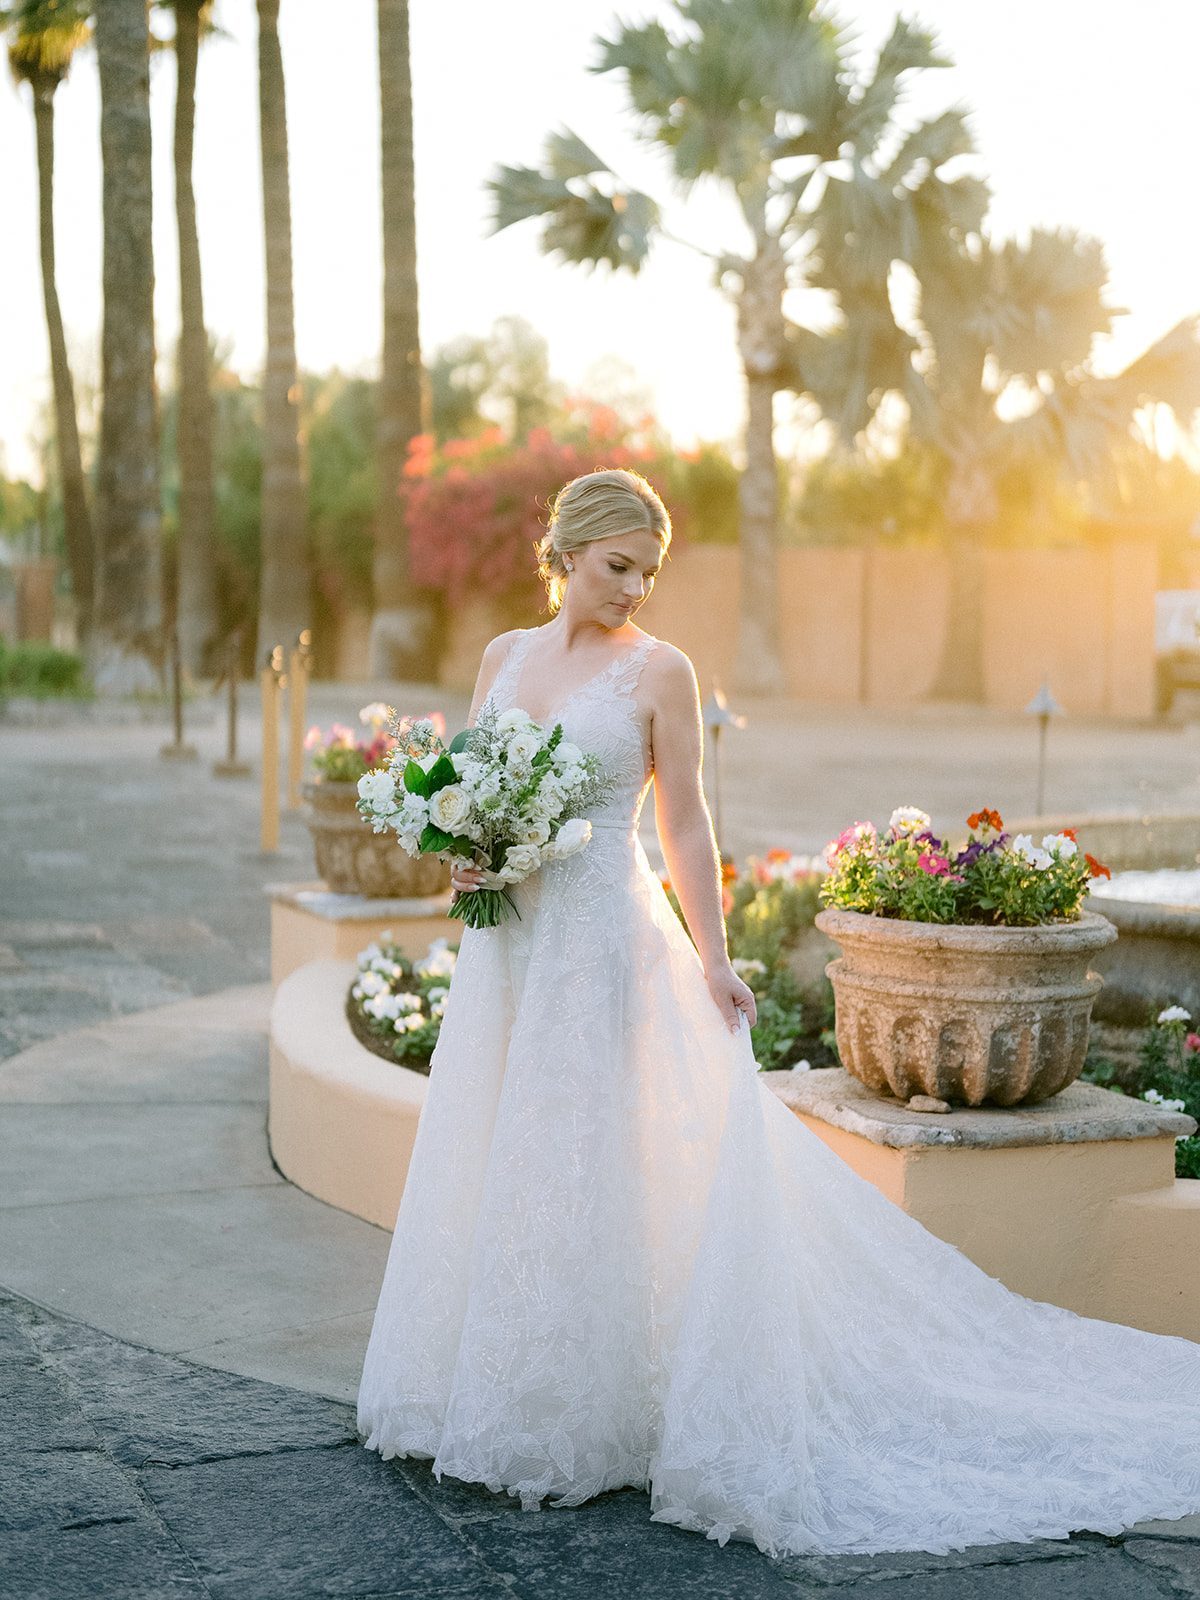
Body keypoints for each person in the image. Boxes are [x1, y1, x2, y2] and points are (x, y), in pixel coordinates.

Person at [358, 467, 1200, 1558]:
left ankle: (585, 1409)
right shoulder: (502, 660)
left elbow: (688, 825)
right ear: (566, 550)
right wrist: (467, 858)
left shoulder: (660, 671)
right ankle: (486, 1387)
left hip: (601, 945)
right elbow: (465, 789)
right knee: (499, 1146)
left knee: (587, 1154)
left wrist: (714, 958)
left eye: (649, 573)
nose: (633, 589)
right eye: (618, 566)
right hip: (509, 944)